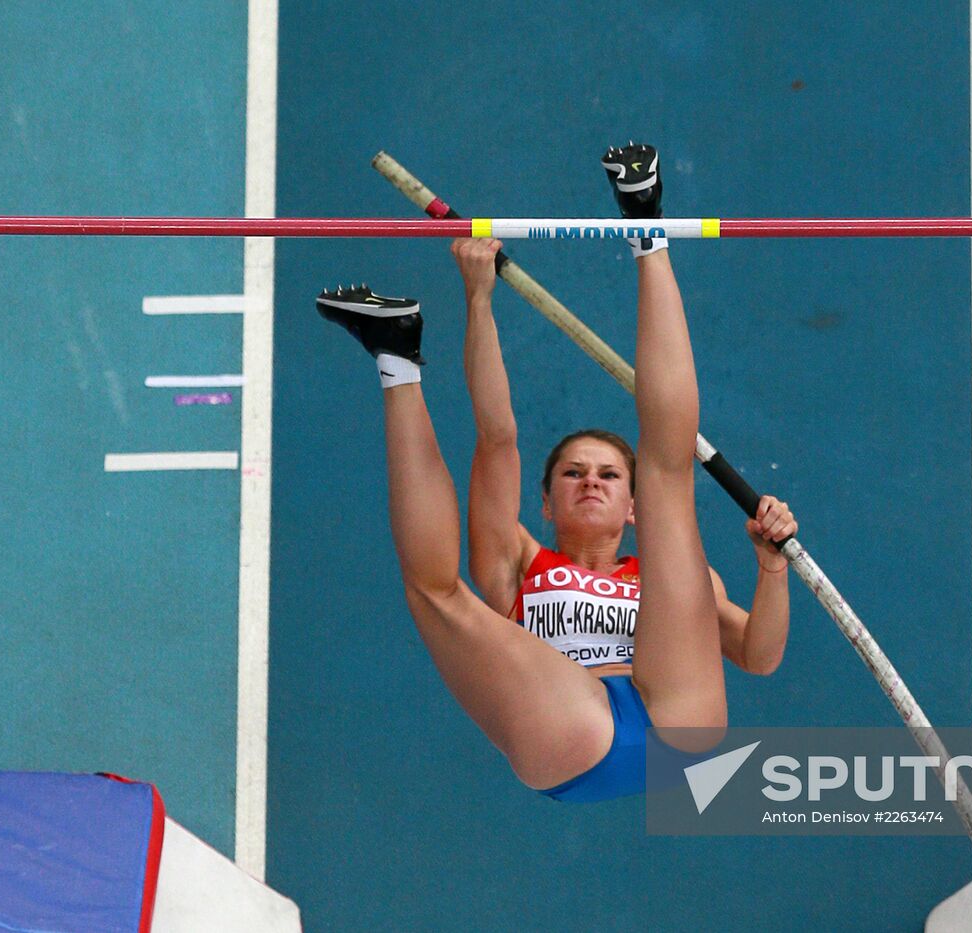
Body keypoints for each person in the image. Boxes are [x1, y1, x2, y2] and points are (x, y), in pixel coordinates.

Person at [317, 143, 795, 802]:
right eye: (572, 474)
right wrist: (478, 300)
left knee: (669, 470)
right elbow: (498, 436)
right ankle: (400, 359)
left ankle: (645, 227)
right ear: (544, 502)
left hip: (677, 719)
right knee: (436, 591)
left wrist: (772, 569)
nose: (592, 481)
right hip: (572, 725)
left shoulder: (672, 581)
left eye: (605, 474)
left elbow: (760, 656)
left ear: (629, 507)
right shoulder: (517, 561)